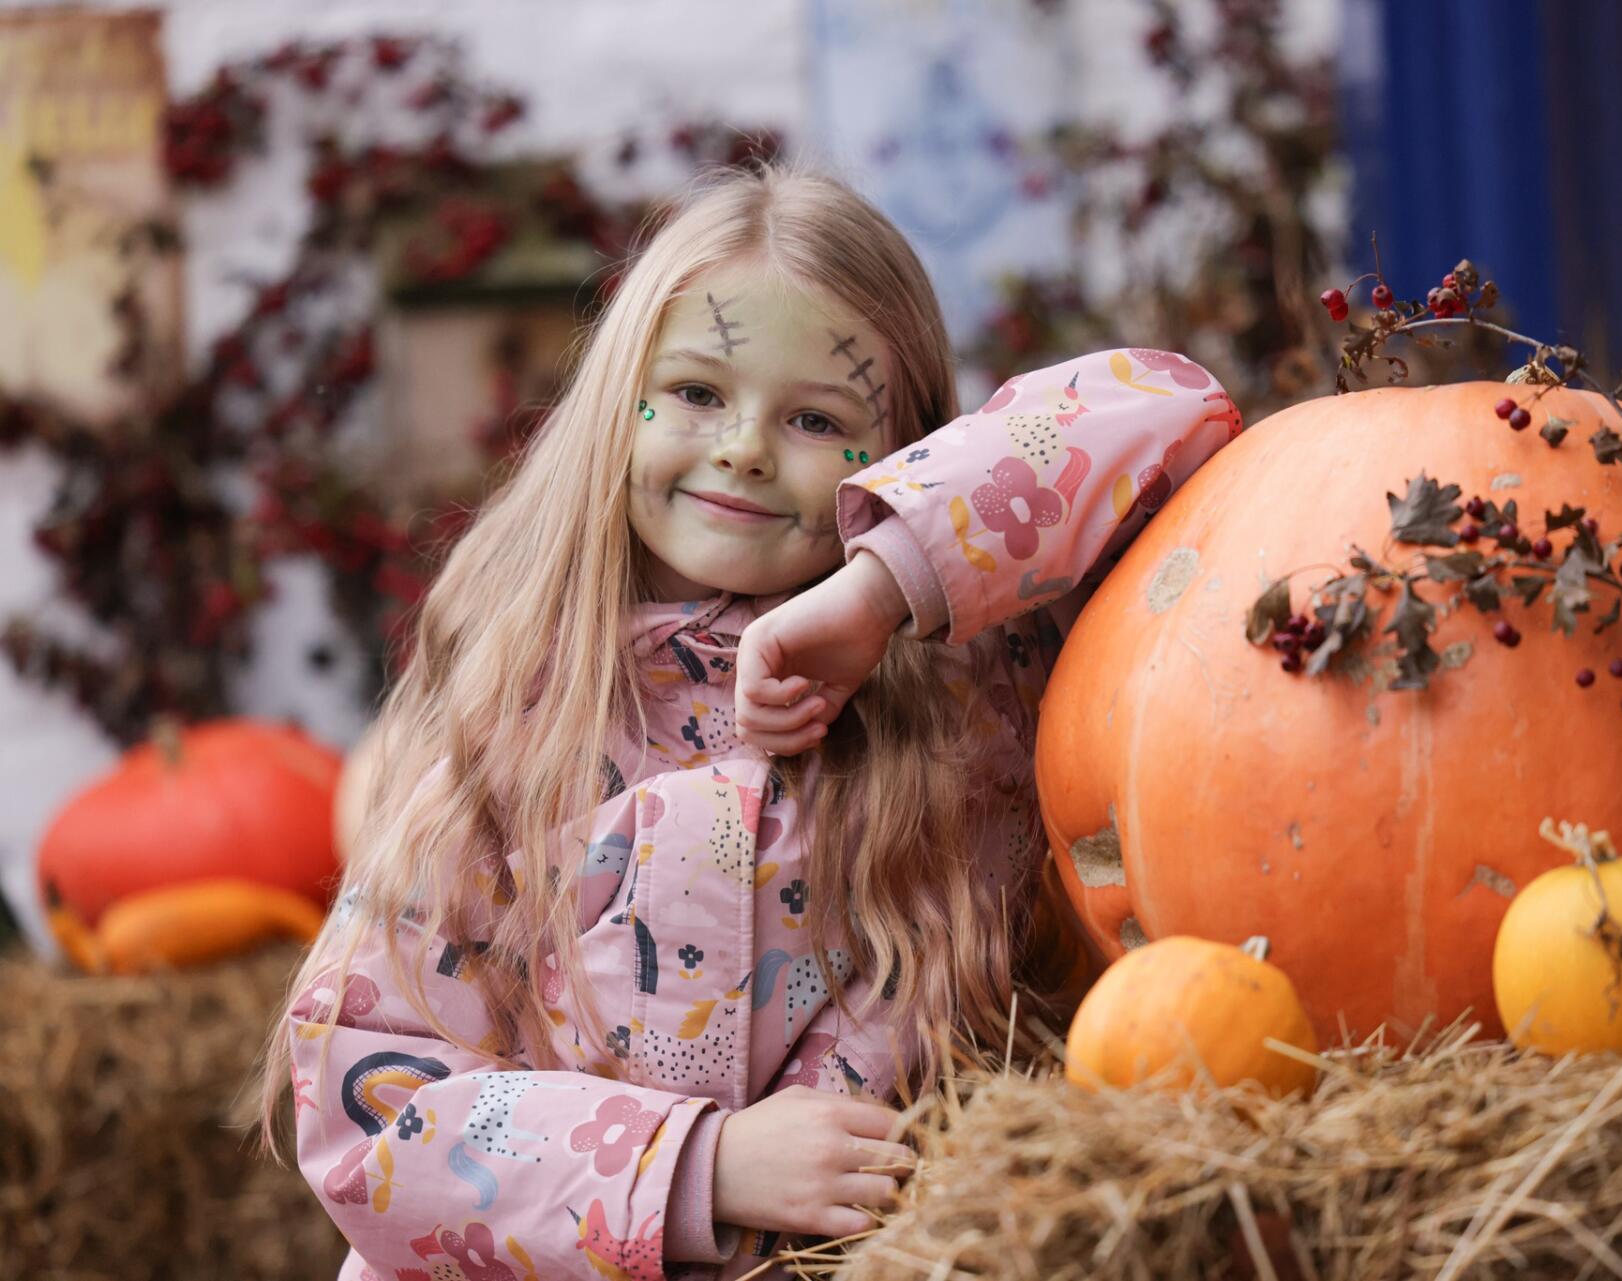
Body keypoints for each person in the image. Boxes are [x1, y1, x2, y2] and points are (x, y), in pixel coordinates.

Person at [249, 161, 1242, 1281]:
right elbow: (374, 1105)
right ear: (618, 401)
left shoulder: (970, 674)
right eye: (697, 393)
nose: (746, 448)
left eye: (817, 416)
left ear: (908, 444)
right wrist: (695, 1166)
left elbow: (1178, 409)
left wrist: (883, 586)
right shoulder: (528, 715)